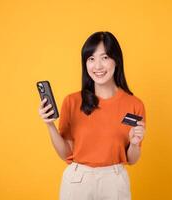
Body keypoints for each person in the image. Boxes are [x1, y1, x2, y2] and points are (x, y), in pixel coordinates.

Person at [38, 31, 146, 200]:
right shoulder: (72, 101)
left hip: (115, 182)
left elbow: (132, 160)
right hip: (77, 181)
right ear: (85, 63)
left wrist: (134, 144)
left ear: (116, 60)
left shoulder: (134, 105)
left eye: (104, 57)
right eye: (91, 59)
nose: (98, 66)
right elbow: (66, 154)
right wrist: (49, 124)